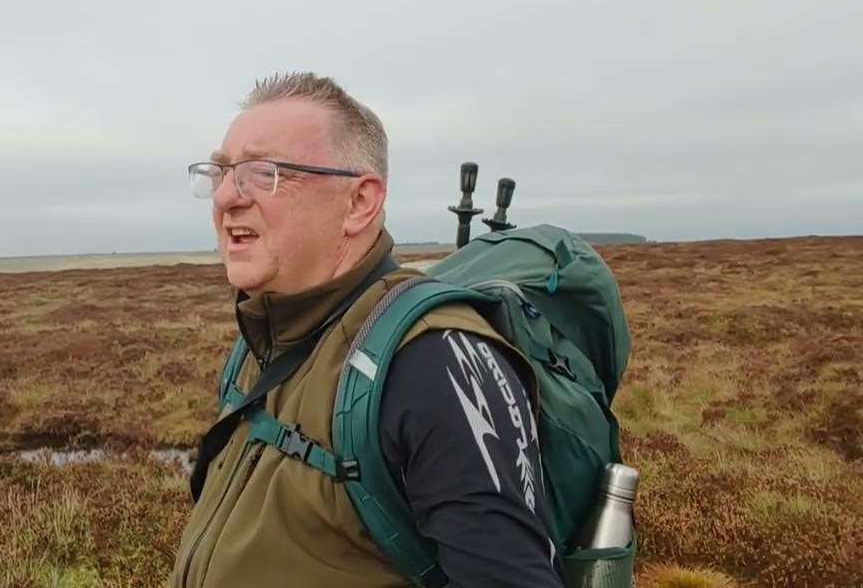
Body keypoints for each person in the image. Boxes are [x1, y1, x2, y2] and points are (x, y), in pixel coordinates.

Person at [171, 72, 567, 588]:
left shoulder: (433, 362)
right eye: (221, 172)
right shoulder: (261, 341)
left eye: (263, 173)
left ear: (359, 202)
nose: (226, 198)